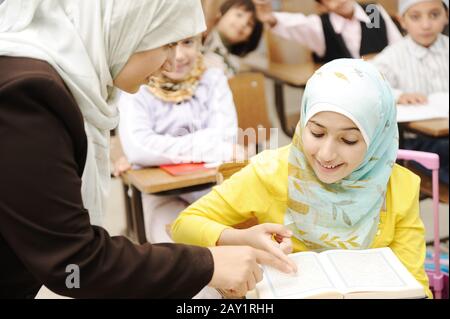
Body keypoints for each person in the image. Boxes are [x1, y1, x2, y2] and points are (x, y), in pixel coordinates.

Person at [0, 0, 290, 299]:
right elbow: (73, 265)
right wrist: (208, 262)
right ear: (128, 26)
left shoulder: (52, 80)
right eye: (165, 44)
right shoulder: (29, 93)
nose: (170, 62)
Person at [171, 58, 433, 298]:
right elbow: (184, 225)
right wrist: (239, 238)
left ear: (377, 140)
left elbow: (415, 283)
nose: (327, 154)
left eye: (349, 140)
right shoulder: (271, 172)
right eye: (317, 133)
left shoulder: (399, 186)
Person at [118, 35, 239, 244]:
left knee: (234, 244)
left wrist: (159, 151)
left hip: (213, 190)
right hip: (159, 197)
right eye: (169, 44)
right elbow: (138, 148)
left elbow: (227, 136)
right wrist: (210, 145)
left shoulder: (213, 78)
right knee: (182, 249)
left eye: (188, 43)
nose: (179, 56)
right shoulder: (137, 86)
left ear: (200, 42)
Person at [372, 0, 449, 184]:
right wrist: (399, 95)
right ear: (402, 21)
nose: (426, 24)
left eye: (434, 15)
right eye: (415, 17)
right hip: (419, 143)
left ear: (446, 16)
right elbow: (368, 84)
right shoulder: (392, 56)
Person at [253, 0, 403, 63]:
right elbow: (295, 24)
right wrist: (270, 17)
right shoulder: (322, 26)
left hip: (386, 87)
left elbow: (398, 48)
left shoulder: (373, 12)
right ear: (322, 6)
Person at [203, 0, 264, 77]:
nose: (243, 23)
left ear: (249, 38)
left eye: (249, 24)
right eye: (239, 15)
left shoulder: (234, 63)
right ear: (221, 13)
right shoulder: (206, 37)